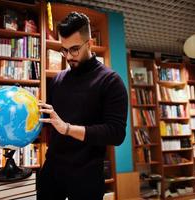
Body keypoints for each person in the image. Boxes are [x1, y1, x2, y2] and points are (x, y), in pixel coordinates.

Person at [37, 11, 128, 200]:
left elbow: (116, 133)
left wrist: (68, 129)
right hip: (52, 171)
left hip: (87, 175)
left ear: (90, 43)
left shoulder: (111, 81)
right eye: (64, 50)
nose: (68, 56)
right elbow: (51, 123)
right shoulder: (58, 80)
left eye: (74, 49)